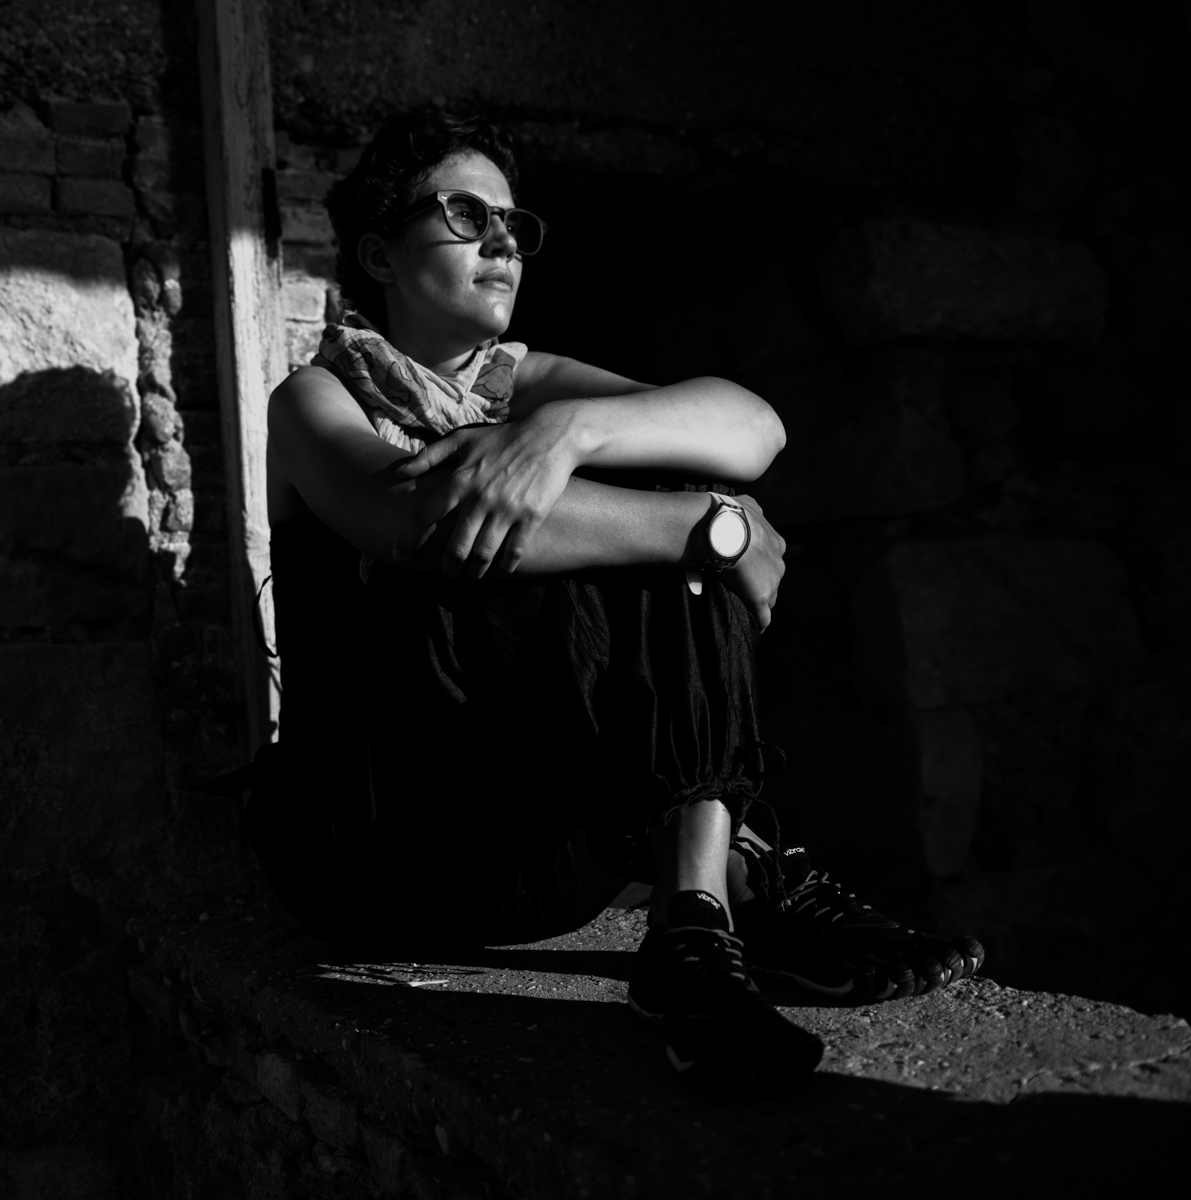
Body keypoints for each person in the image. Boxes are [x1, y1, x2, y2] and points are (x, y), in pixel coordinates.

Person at [250, 110, 982, 1095]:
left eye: (514, 224)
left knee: (664, 481)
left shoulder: (527, 385)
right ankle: (752, 878)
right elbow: (423, 523)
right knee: (672, 516)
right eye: (465, 215)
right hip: (384, 852)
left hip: (540, 858)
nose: (503, 242)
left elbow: (752, 427)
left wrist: (566, 434)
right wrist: (711, 526)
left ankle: (694, 924)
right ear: (380, 253)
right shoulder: (315, 398)